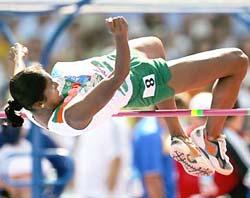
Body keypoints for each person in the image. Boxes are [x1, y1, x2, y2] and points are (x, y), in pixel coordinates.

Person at [4, 16, 249, 177]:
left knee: (154, 44)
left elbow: (20, 82)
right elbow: (118, 76)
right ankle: (212, 139)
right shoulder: (73, 115)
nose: (57, 83)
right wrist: (120, 37)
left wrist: (19, 58)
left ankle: (177, 135)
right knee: (237, 61)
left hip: (108, 64)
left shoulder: (26, 102)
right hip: (137, 81)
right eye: (53, 86)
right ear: (42, 103)